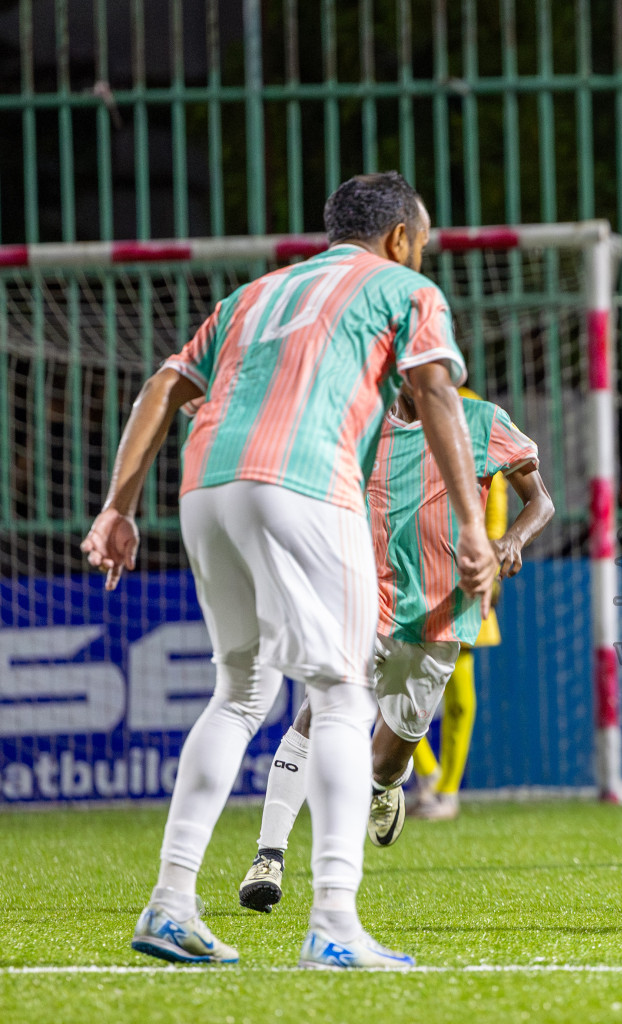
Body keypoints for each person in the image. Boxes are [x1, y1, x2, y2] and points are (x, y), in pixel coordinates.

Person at [81, 171, 499, 969]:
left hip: (206, 487)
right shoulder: (405, 288)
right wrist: (473, 526)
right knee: (342, 696)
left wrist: (117, 508)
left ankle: (171, 903)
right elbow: (436, 389)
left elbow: (167, 383)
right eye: (425, 239)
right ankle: (335, 922)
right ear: (402, 237)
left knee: (238, 694)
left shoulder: (254, 294)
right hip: (307, 485)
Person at [239, 387, 550, 911]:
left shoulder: (480, 420)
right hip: (362, 597)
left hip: (441, 612)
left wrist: (513, 540)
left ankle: (386, 787)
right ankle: (268, 857)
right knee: (317, 713)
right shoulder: (357, 420)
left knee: (389, 756)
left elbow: (540, 501)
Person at [408, 386, 515, 822]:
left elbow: (497, 492)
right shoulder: (401, 405)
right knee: (395, 680)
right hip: (413, 563)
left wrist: (492, 554)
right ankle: (430, 777)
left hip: (465, 562)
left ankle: (447, 790)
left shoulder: (476, 412)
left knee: (460, 678)